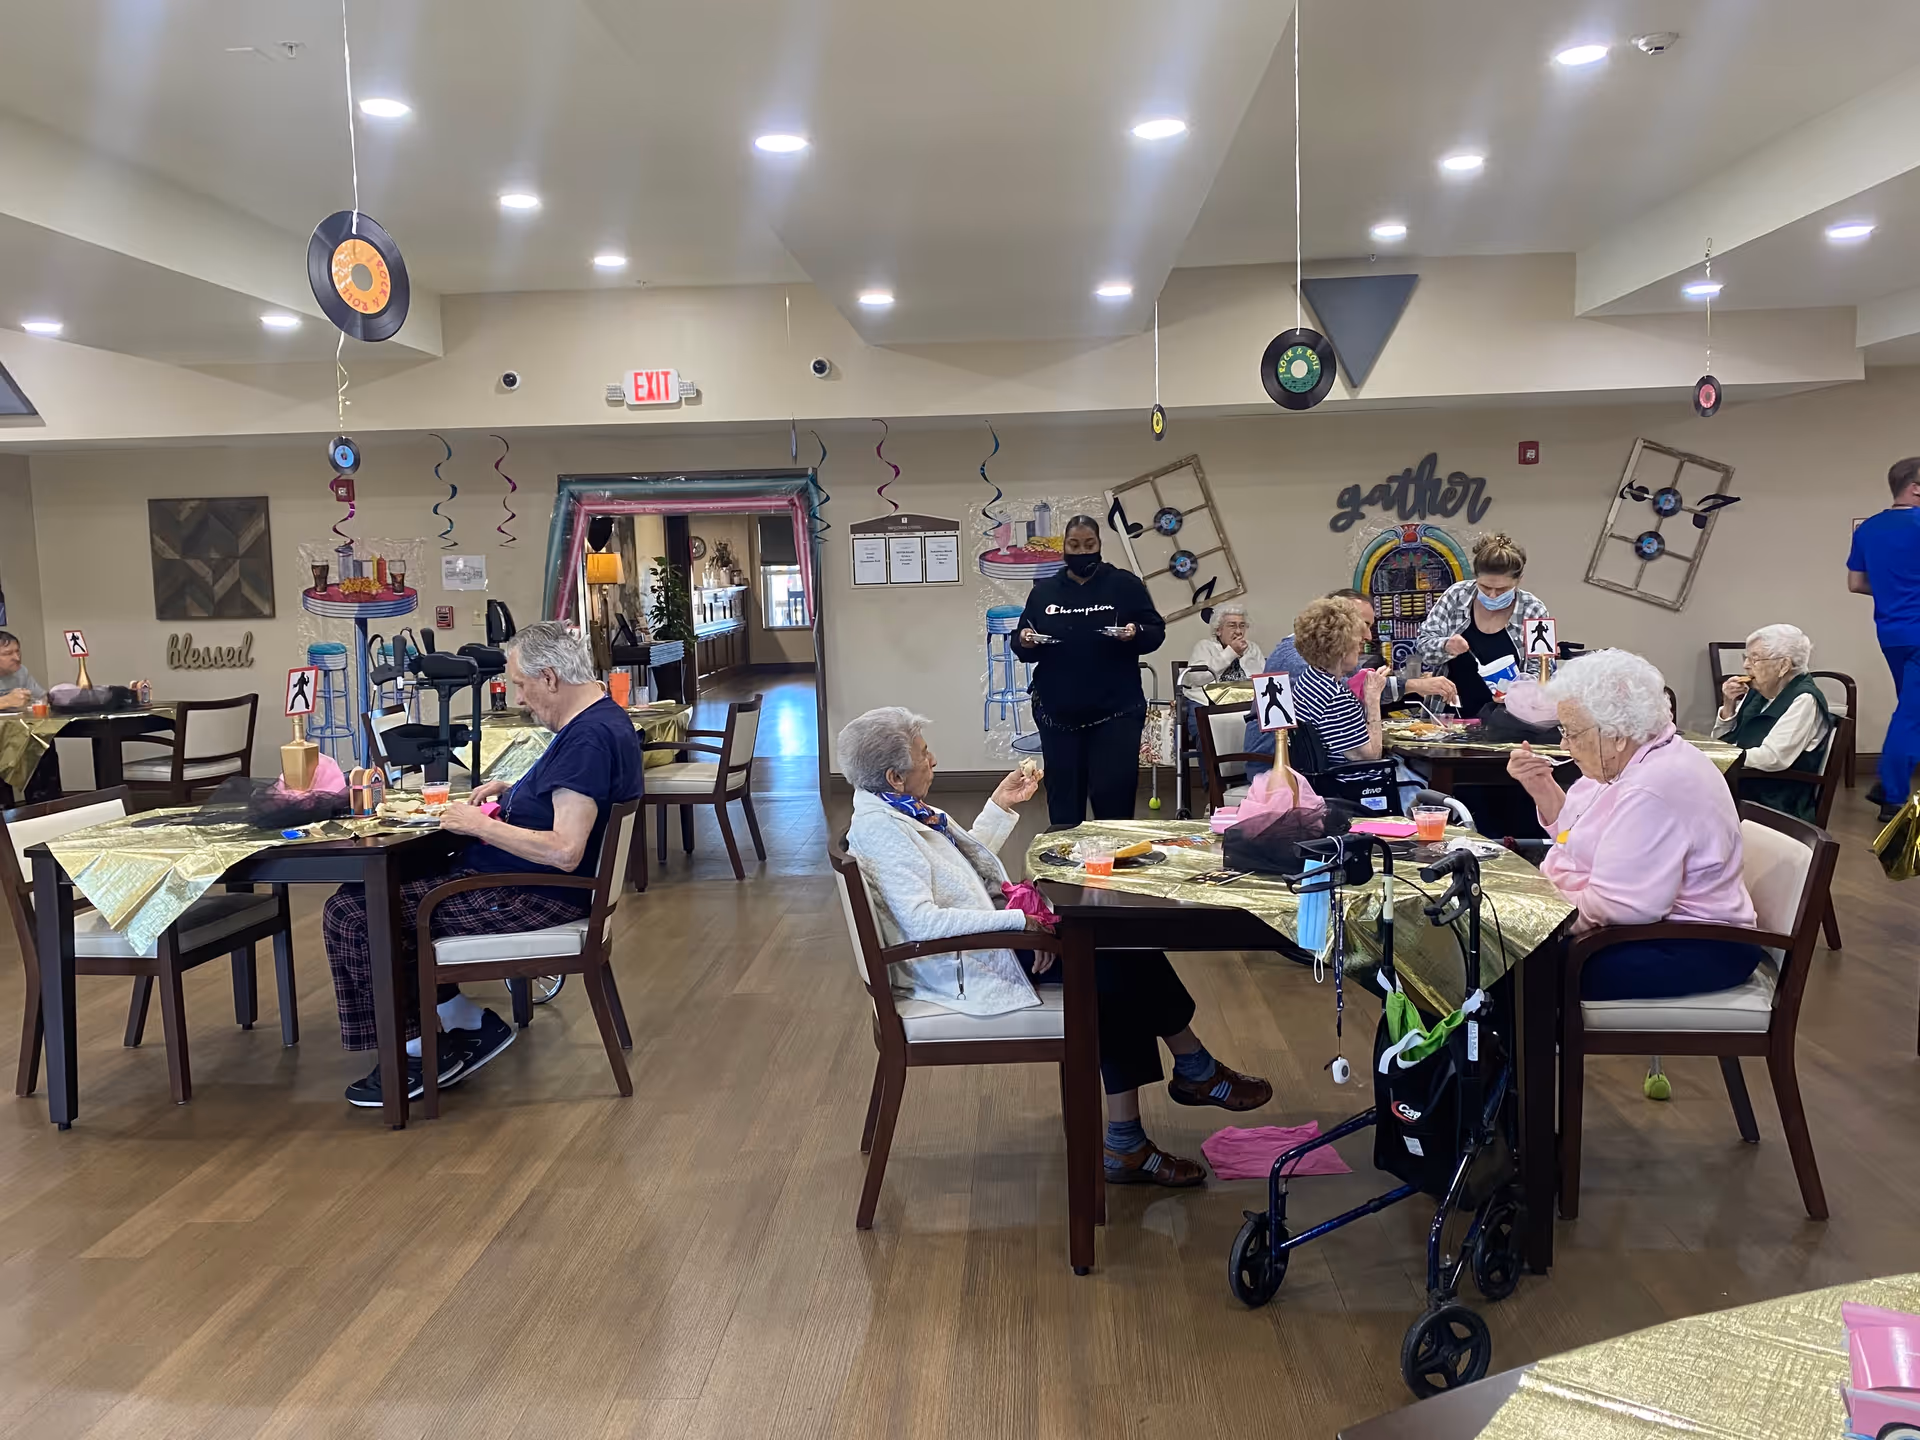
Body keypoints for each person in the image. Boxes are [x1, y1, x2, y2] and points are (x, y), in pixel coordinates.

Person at [839, 707, 1271, 1186]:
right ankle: (1178, 1088)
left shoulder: (896, 808)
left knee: (1117, 948)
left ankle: (1173, 1093)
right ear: (895, 775)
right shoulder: (884, 829)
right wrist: (1021, 922)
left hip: (979, 939)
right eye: (924, 755)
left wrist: (1000, 807)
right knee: (1110, 964)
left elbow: (955, 874)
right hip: (963, 960)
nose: (934, 759)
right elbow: (922, 919)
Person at [322, 620, 643, 1108]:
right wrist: (510, 793)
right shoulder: (602, 720)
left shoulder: (587, 740)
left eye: (520, 684)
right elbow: (567, 798)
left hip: (532, 895)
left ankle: (415, 1056)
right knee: (374, 894)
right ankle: (464, 1022)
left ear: (550, 678)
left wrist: (479, 825)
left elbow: (564, 849)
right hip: (533, 886)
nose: (518, 698)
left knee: (355, 912)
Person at [1505, 649, 1762, 1001]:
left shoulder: (1653, 785)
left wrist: (1537, 919)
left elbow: (1622, 907)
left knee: (1514, 970)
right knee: (1505, 954)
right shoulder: (1625, 761)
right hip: (1649, 929)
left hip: (1696, 945)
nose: (1564, 745)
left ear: (1618, 734)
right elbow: (1571, 836)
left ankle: (1509, 1053)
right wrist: (1542, 788)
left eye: (1572, 732)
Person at [1011, 515, 1166, 825]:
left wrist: (1135, 632)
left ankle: (1115, 866)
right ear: (1064, 547)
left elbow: (1156, 632)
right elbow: (1021, 642)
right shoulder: (1045, 591)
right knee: (1064, 805)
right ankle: (1065, 868)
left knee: (1114, 801)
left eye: (1089, 544)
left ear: (1099, 546)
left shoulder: (1124, 585)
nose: (1081, 551)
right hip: (1058, 715)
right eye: (1074, 545)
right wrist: (1026, 640)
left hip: (1116, 713)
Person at [1244, 590, 1455, 779]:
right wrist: (1376, 697)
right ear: (1341, 639)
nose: (1366, 639)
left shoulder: (1313, 673)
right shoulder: (1324, 684)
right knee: (1425, 773)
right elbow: (1369, 755)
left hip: (1308, 774)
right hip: (1280, 769)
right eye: (1361, 629)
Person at [1846, 456, 1920, 821]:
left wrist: (1894, 592)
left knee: (1911, 709)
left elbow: (1856, 583)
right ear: (1916, 487)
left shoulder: (1869, 529)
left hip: (1891, 633)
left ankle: (1888, 780)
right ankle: (1892, 797)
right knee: (1912, 715)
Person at [1414, 534, 1552, 717]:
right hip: (1449, 717)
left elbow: (1543, 669)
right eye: (1485, 587)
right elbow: (1423, 646)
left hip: (1510, 720)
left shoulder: (1535, 611)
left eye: (1502, 590)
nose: (1493, 595)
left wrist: (1520, 692)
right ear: (1475, 577)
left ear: (1519, 580)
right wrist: (1446, 646)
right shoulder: (1456, 596)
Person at [1710, 624, 1832, 822]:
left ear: (1784, 665)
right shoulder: (1759, 691)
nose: (1746, 666)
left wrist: (1721, 757)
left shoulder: (1804, 699)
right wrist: (1728, 705)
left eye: (1755, 658)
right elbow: (1721, 740)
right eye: (1746, 657)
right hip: (1743, 782)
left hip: (1775, 798)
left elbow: (1773, 758)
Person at [1288, 596, 1389, 764]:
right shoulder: (1335, 697)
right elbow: (1371, 756)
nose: (1359, 647)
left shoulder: (1309, 679)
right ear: (1342, 649)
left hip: (1323, 781)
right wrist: (1373, 699)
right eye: (1357, 643)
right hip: (1353, 784)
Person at [1182, 603, 1261, 703]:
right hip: (1210, 705)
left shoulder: (1252, 648)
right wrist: (1231, 652)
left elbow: (1262, 678)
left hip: (1245, 703)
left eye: (1242, 626)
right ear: (1218, 630)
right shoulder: (1204, 646)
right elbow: (1196, 678)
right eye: (1232, 626)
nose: (1238, 631)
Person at [0, 630, 45, 711]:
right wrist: (6, 701)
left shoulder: (21, 671)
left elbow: (41, 698)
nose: (17, 658)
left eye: (17, 651)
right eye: (8, 653)